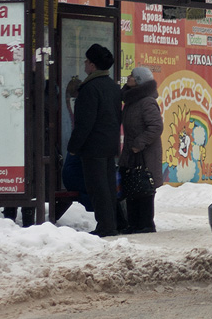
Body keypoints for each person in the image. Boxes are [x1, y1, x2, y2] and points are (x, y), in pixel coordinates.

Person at [66, 44, 122, 237]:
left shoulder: (90, 89)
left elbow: (84, 123)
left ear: (92, 64)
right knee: (107, 186)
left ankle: (106, 227)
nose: (84, 64)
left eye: (86, 61)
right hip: (109, 145)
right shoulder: (113, 87)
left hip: (93, 147)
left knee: (98, 189)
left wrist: (73, 147)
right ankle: (111, 223)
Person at [119, 66, 164, 233]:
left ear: (138, 81)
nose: (128, 77)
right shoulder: (132, 100)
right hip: (132, 153)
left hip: (144, 154)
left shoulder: (146, 102)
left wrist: (139, 143)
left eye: (131, 76)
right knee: (132, 185)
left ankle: (145, 224)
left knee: (144, 186)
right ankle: (134, 223)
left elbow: (156, 126)